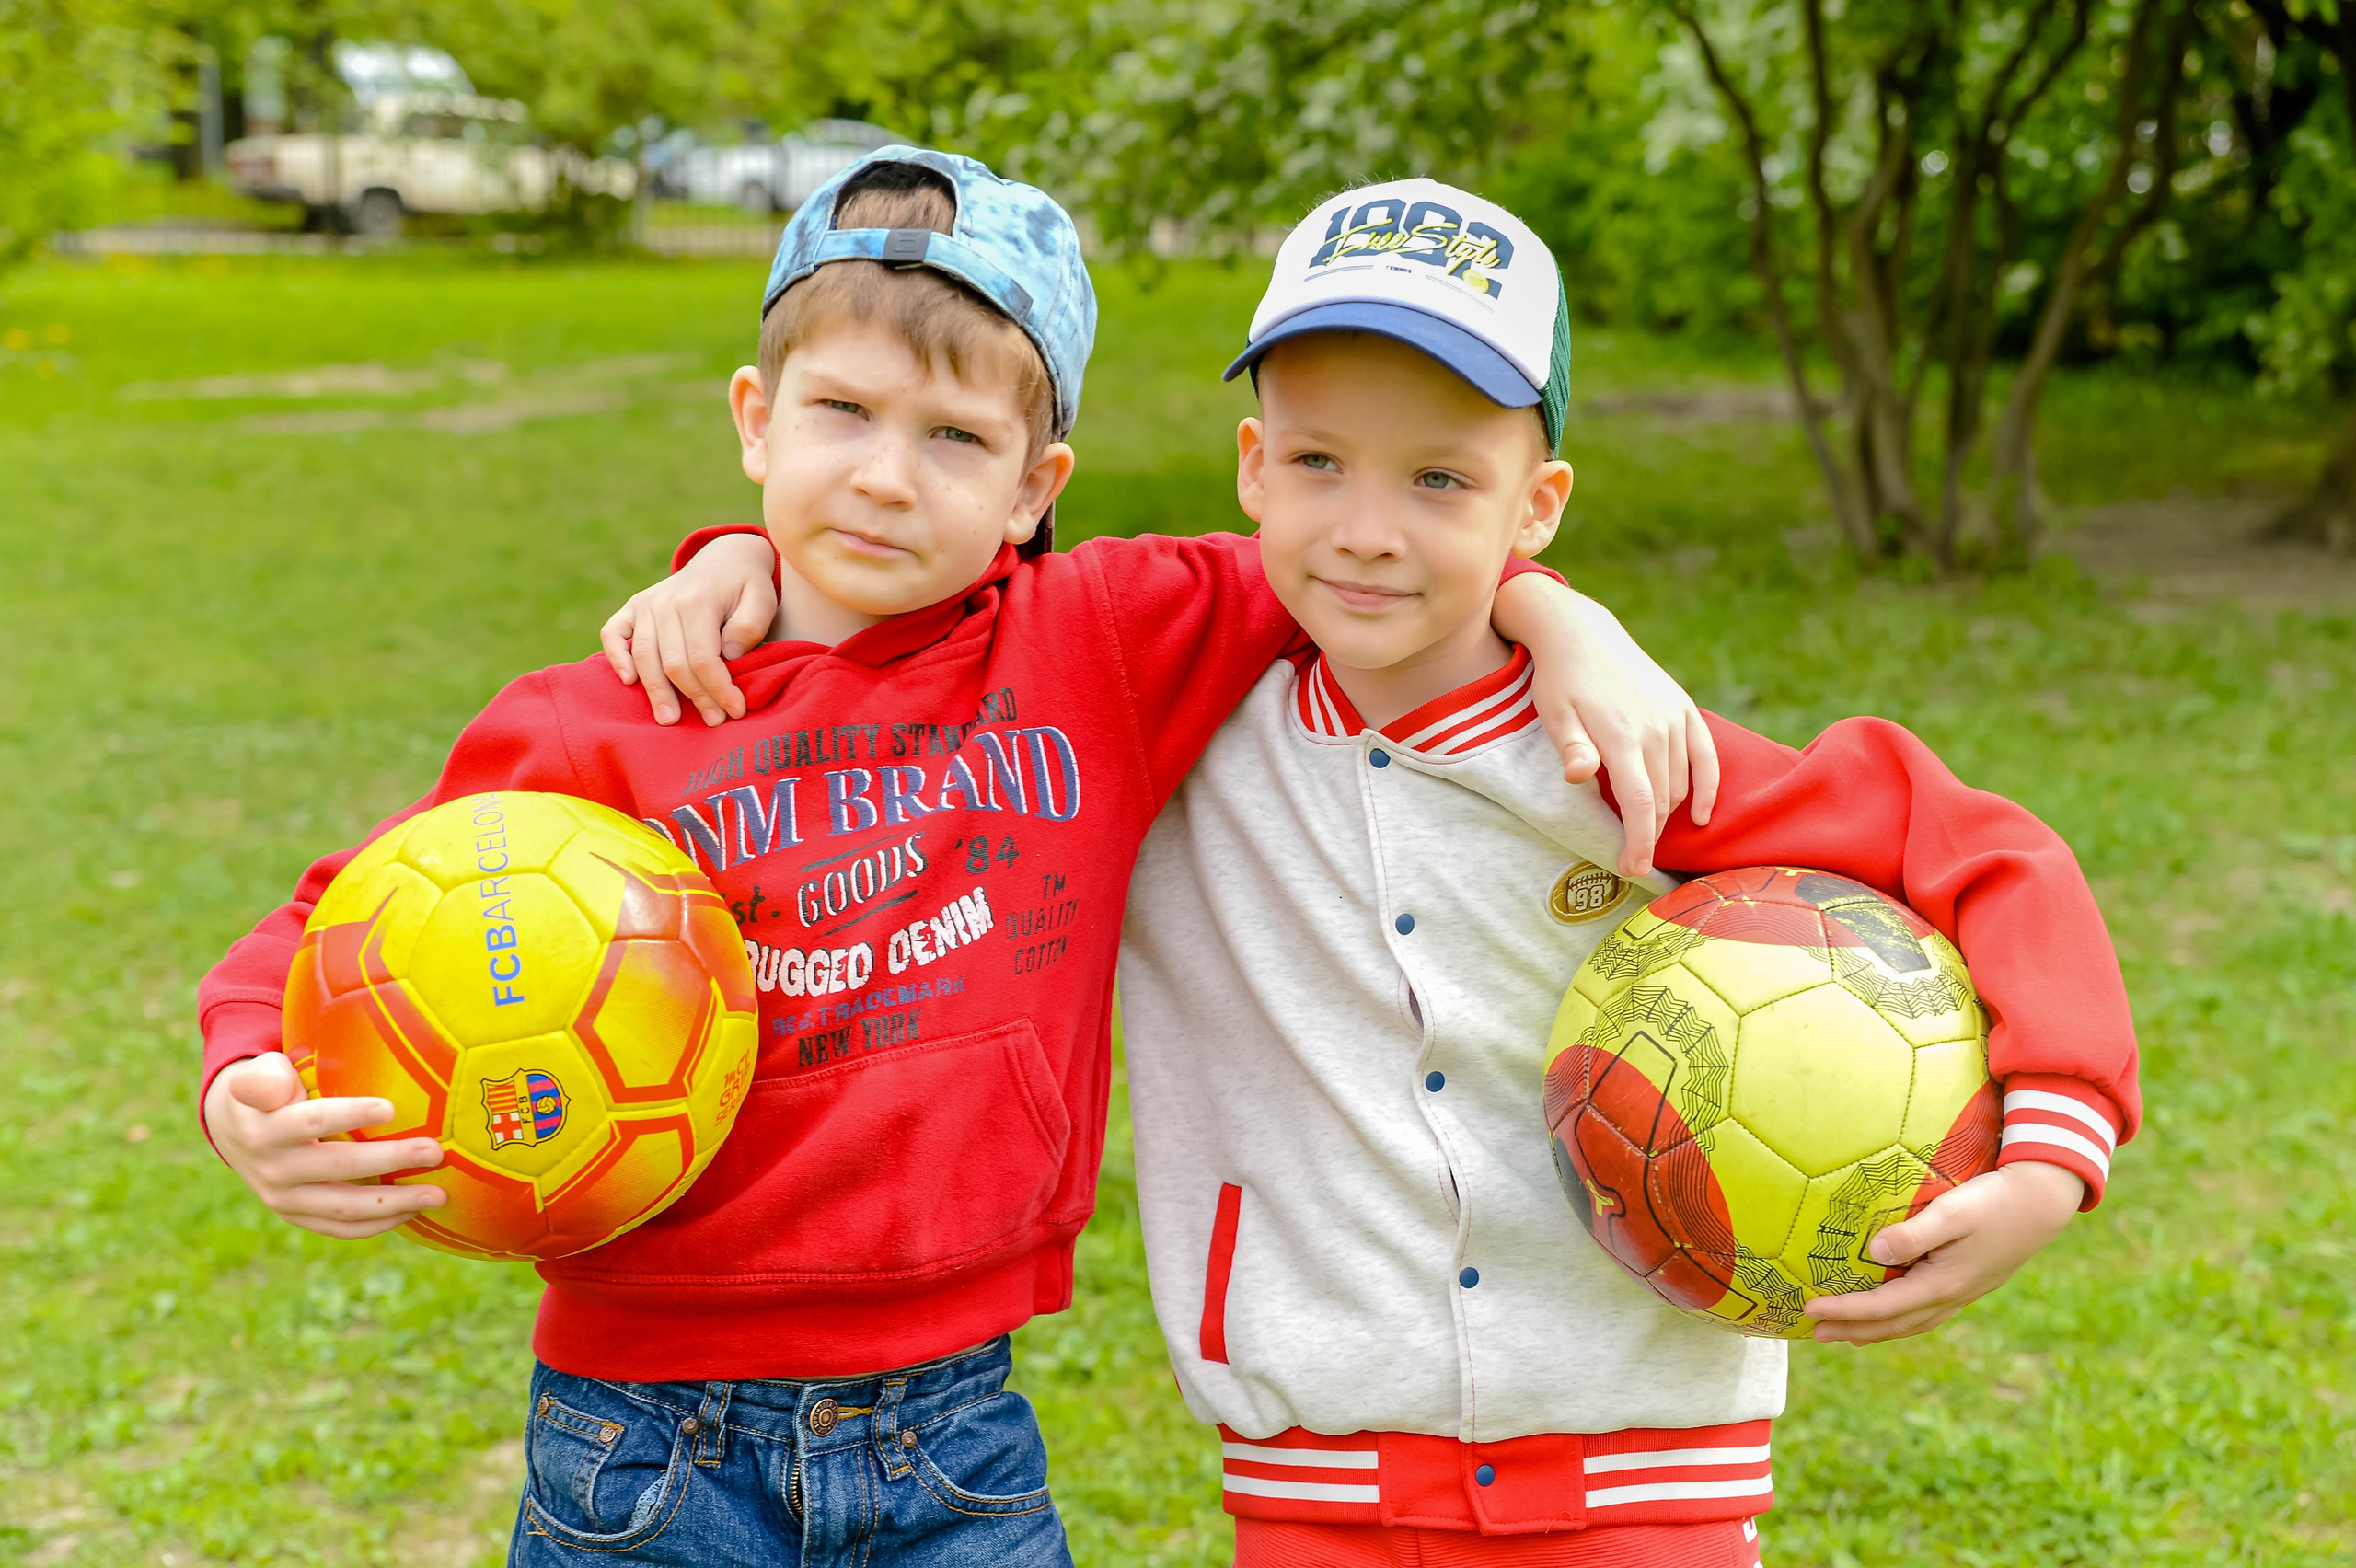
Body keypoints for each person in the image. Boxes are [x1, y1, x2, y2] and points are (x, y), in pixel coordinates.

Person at [194, 149, 1712, 1567]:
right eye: (839, 415)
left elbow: (1369, 550)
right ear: (754, 418)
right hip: (639, 1442)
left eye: (955, 439)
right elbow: (351, 912)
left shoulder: (1101, 644)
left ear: (1037, 485)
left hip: (954, 1434)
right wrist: (247, 1074)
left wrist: (1562, 615)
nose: (885, 478)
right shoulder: (618, 714)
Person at [632, 179, 2140, 1568]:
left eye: (1439, 479)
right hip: (1313, 1484)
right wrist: (742, 564)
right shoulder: (1149, 717)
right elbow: (929, 598)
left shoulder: (1618, 751)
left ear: (1535, 505)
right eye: (1319, 464)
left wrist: (2054, 1158)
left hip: (1649, 1476)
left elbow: (1982, 849)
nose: (1366, 531)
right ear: (1253, 469)